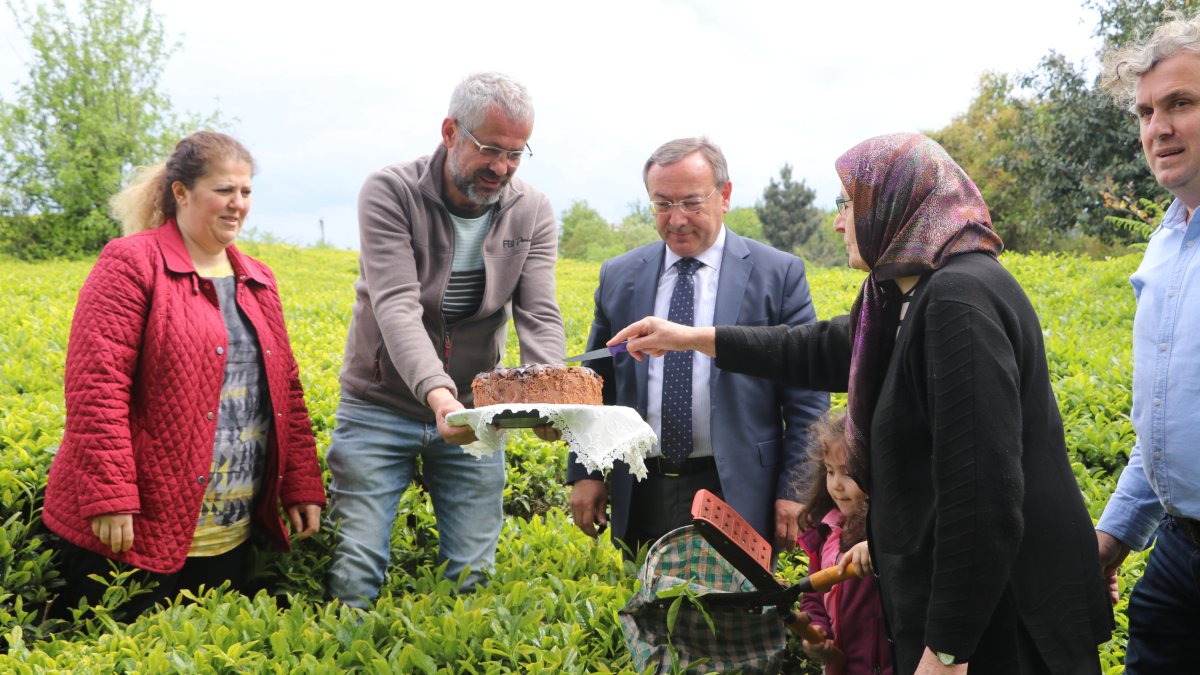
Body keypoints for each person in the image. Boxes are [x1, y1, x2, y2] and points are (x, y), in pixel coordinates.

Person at [607, 133, 1113, 673]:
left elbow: (982, 495)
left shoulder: (958, 302)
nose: (839, 221)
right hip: (960, 598)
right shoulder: (903, 294)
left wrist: (947, 651)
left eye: (850, 204)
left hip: (1004, 617)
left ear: (897, 206)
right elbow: (820, 347)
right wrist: (690, 338)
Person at [42, 131, 326, 620]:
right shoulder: (131, 263)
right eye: (224, 190)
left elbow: (286, 391)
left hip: (227, 532)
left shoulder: (258, 278)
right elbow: (97, 386)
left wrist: (301, 484)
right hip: (132, 531)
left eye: (246, 191)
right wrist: (110, 496)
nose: (237, 204)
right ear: (181, 193)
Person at [324, 72, 565, 606]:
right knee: (356, 567)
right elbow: (396, 306)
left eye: (516, 154)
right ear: (451, 131)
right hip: (379, 405)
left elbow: (539, 313)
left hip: (476, 411)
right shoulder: (391, 191)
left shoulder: (532, 208)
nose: (501, 168)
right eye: (490, 149)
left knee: (472, 573)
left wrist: (551, 398)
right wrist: (438, 395)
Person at [566, 137, 828, 559]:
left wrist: (797, 489)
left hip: (739, 489)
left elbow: (806, 397)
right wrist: (586, 472)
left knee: (736, 618)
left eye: (691, 202)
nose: (677, 219)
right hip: (645, 486)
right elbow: (598, 387)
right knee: (650, 616)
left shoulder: (776, 274)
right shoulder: (620, 275)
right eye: (663, 204)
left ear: (724, 196)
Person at [1094, 13, 1200, 672]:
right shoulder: (1166, 241)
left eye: (1181, 104)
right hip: (1178, 553)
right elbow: (1164, 422)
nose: (1157, 128)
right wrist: (1108, 542)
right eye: (1145, 111)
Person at [795, 410, 892, 675]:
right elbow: (814, 596)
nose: (836, 485)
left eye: (848, 474)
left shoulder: (891, 529)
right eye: (829, 471)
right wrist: (817, 631)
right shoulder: (825, 532)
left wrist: (877, 547)